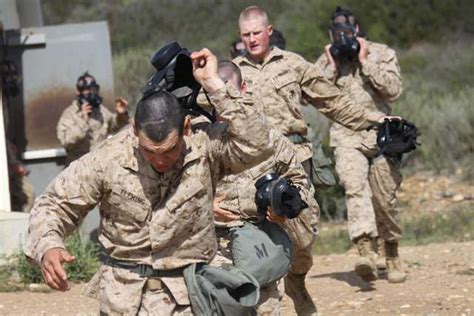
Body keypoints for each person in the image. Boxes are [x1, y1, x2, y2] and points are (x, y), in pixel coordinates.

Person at [25, 48, 274, 315]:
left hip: (192, 296)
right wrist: (49, 245)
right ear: (134, 129)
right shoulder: (109, 158)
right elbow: (55, 204)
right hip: (124, 300)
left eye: (170, 150)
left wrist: (214, 84)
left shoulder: (205, 147)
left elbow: (257, 143)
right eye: (149, 151)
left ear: (186, 128)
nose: (161, 161)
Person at [234, 6, 400, 315]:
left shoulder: (293, 65)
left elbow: (334, 103)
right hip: (252, 164)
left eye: (257, 32)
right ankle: (264, 301)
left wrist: (375, 120)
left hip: (295, 162)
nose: (252, 39)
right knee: (253, 234)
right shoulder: (231, 72)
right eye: (246, 35)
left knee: (304, 235)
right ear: (240, 37)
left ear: (269, 32)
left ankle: (296, 280)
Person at [195, 61, 319, 315]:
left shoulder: (267, 137)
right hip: (213, 243)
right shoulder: (199, 138)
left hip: (259, 241)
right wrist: (205, 208)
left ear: (242, 89)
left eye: (228, 93)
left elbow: (298, 179)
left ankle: (296, 286)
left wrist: (285, 208)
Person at [315, 6, 406, 284]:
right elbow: (313, 94)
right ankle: (365, 249)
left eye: (347, 30)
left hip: (380, 135)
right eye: (337, 31)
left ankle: (391, 252)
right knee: (355, 189)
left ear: (357, 30)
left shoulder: (382, 52)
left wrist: (366, 61)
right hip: (346, 136)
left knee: (384, 200)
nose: (343, 35)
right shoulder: (328, 59)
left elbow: (393, 90)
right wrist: (330, 67)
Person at [56, 72, 129, 165]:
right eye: (87, 90)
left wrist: (121, 115)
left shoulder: (100, 110)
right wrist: (83, 121)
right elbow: (66, 141)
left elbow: (114, 126)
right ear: (78, 92)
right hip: (78, 167)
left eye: (93, 89)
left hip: (100, 165)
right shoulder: (69, 114)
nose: (91, 92)